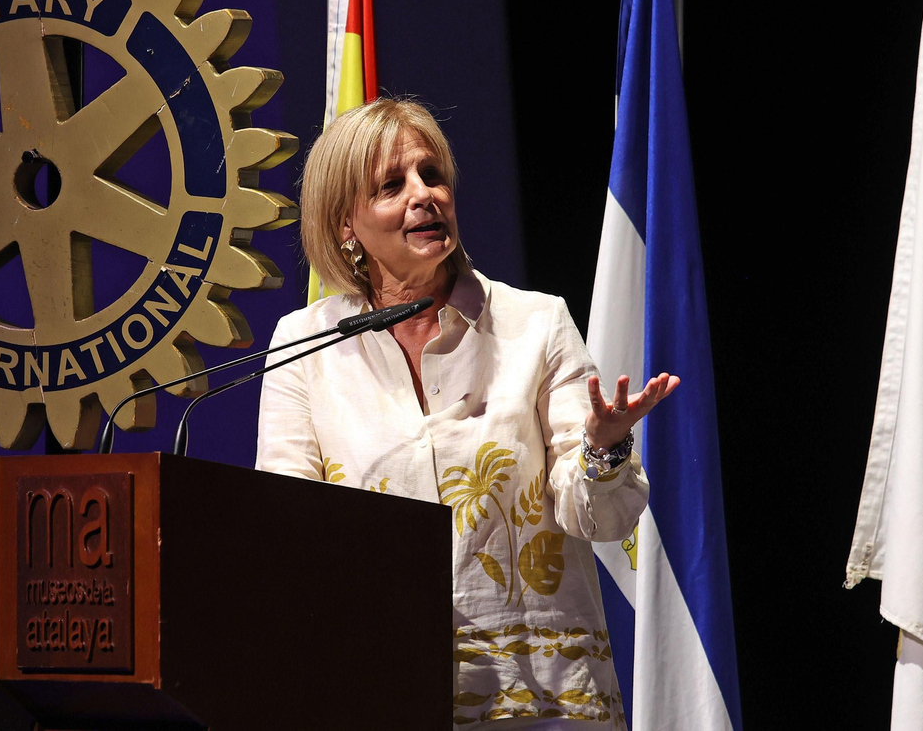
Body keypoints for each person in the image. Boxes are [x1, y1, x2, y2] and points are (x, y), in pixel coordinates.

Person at [256, 98, 678, 728]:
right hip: (383, 689)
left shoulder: (535, 324)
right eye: (392, 186)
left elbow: (601, 516)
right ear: (346, 224)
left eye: (432, 175)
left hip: (540, 702)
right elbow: (285, 527)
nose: (424, 195)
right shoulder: (304, 344)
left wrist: (603, 448)